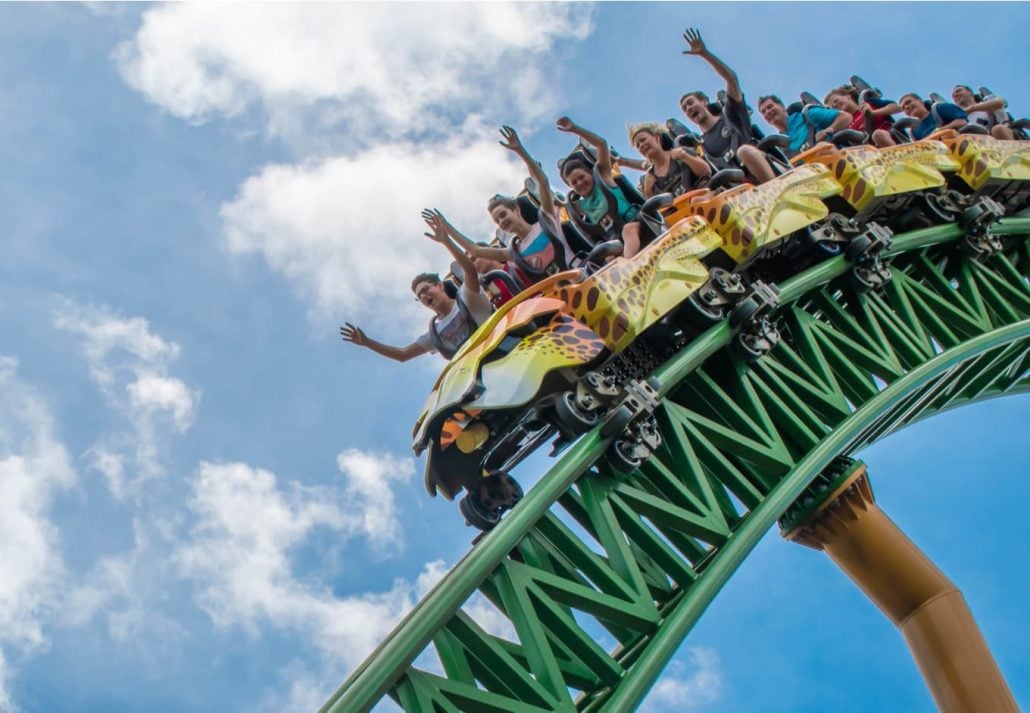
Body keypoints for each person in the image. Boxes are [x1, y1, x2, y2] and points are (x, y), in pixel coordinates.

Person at [340, 221, 493, 362]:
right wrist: (367, 342)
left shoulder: (467, 298)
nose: (424, 296)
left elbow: (469, 270)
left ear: (440, 286)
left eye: (426, 289)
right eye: (420, 296)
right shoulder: (436, 331)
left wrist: (446, 241)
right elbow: (403, 354)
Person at [679, 28, 776, 183]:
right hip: (743, 192)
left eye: (690, 103)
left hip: (769, 172)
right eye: (685, 109)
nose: (688, 109)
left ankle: (775, 189)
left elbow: (732, 80)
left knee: (744, 151)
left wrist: (704, 54)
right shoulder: (701, 146)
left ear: (704, 101)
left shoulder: (730, 114)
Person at [555, 116, 648, 258]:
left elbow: (601, 145)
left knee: (628, 230)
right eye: (574, 183)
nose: (579, 183)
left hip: (637, 223)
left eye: (581, 177)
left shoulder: (604, 178)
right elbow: (552, 207)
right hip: (616, 241)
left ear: (590, 173)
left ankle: (629, 265)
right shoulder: (580, 206)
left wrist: (575, 129)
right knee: (605, 257)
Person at [628, 122, 712, 197]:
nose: (641, 145)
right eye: (638, 146)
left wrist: (684, 156)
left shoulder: (680, 152)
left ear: (657, 138)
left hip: (701, 199)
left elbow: (706, 172)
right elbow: (657, 210)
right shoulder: (649, 178)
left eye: (643, 140)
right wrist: (648, 192)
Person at [757, 95, 851, 156]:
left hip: (832, 160)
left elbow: (845, 117)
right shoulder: (778, 145)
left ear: (782, 107)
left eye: (770, 106)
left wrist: (829, 130)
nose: (768, 112)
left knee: (821, 148)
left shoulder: (807, 116)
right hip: (809, 180)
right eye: (763, 112)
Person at [823, 85, 898, 147]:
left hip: (891, 137)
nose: (835, 105)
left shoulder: (867, 102)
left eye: (836, 101)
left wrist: (874, 112)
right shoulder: (844, 126)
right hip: (871, 151)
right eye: (833, 107)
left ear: (848, 96)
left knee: (877, 134)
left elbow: (897, 107)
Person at [950, 85, 1015, 140]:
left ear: (970, 93)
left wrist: (972, 109)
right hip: (976, 144)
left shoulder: (987, 101)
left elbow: (1000, 103)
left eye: (958, 91)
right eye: (953, 96)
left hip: (999, 136)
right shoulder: (959, 119)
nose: (955, 95)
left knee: (997, 129)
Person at [898, 93, 967, 140]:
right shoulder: (913, 132)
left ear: (919, 101)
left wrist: (940, 131)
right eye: (903, 108)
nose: (907, 107)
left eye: (908, 102)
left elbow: (962, 121)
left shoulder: (940, 108)